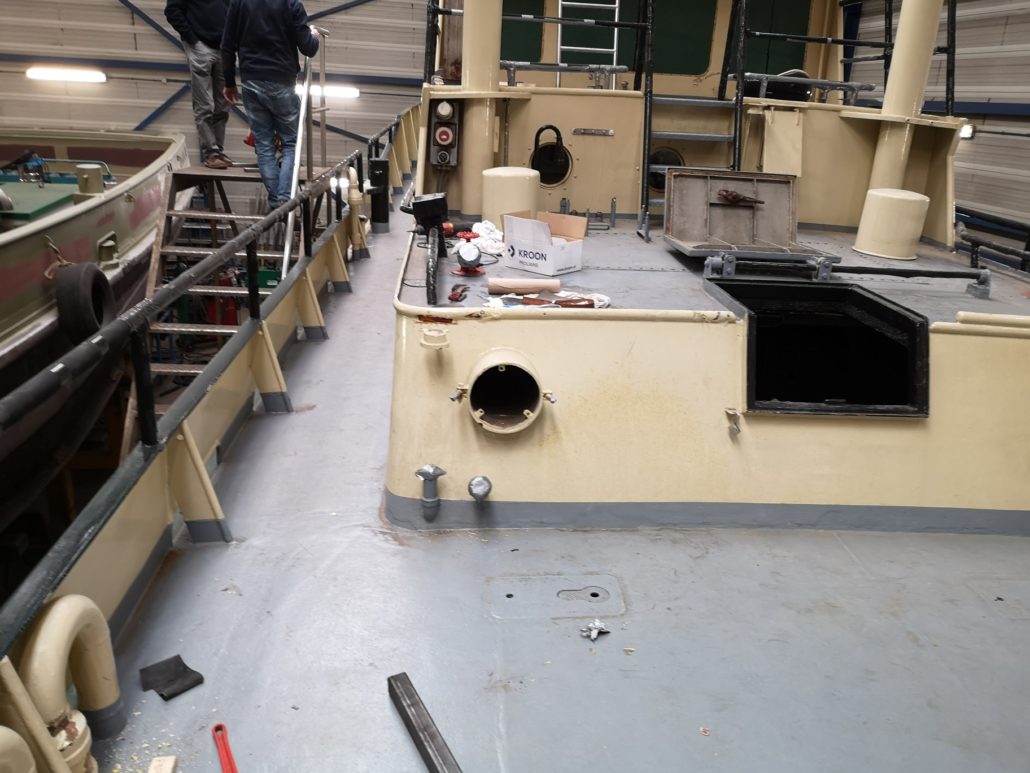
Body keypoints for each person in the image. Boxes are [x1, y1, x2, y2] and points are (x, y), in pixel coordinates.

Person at [221, 0, 319, 207]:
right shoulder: (292, 4)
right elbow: (309, 48)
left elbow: (227, 47)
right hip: (282, 82)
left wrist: (229, 83)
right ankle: (283, 198)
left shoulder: (238, 3)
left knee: (264, 145)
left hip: (251, 81)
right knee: (290, 144)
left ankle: (275, 201)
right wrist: (314, 36)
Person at [165, 0, 233, 169]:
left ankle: (218, 150)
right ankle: (211, 152)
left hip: (224, 48)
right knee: (204, 104)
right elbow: (172, 10)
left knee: (223, 105)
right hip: (200, 46)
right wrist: (192, 39)